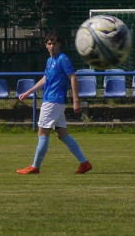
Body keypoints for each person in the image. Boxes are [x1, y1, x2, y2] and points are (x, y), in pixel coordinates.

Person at [16, 33, 92, 175]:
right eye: (49, 44)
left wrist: (76, 100)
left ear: (59, 45)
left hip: (53, 101)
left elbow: (73, 77)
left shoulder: (63, 59)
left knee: (43, 132)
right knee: (61, 134)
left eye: (55, 43)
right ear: (46, 45)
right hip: (52, 100)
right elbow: (45, 79)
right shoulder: (50, 61)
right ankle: (84, 163)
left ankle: (35, 167)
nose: (52, 46)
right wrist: (29, 92)